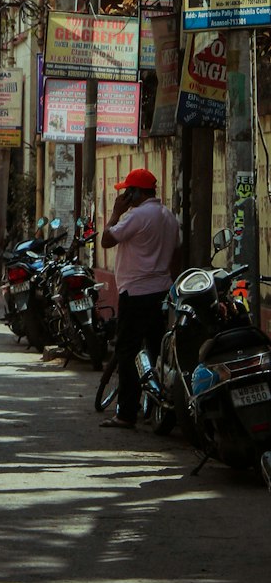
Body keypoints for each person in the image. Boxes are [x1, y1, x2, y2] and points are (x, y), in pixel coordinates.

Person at [99, 168, 180, 429]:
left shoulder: (137, 215)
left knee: (127, 351)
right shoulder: (168, 217)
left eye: (127, 191)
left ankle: (126, 413)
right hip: (161, 291)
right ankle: (161, 407)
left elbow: (106, 240)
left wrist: (114, 213)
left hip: (135, 293)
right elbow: (177, 250)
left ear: (135, 192)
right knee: (158, 350)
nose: (124, 195)